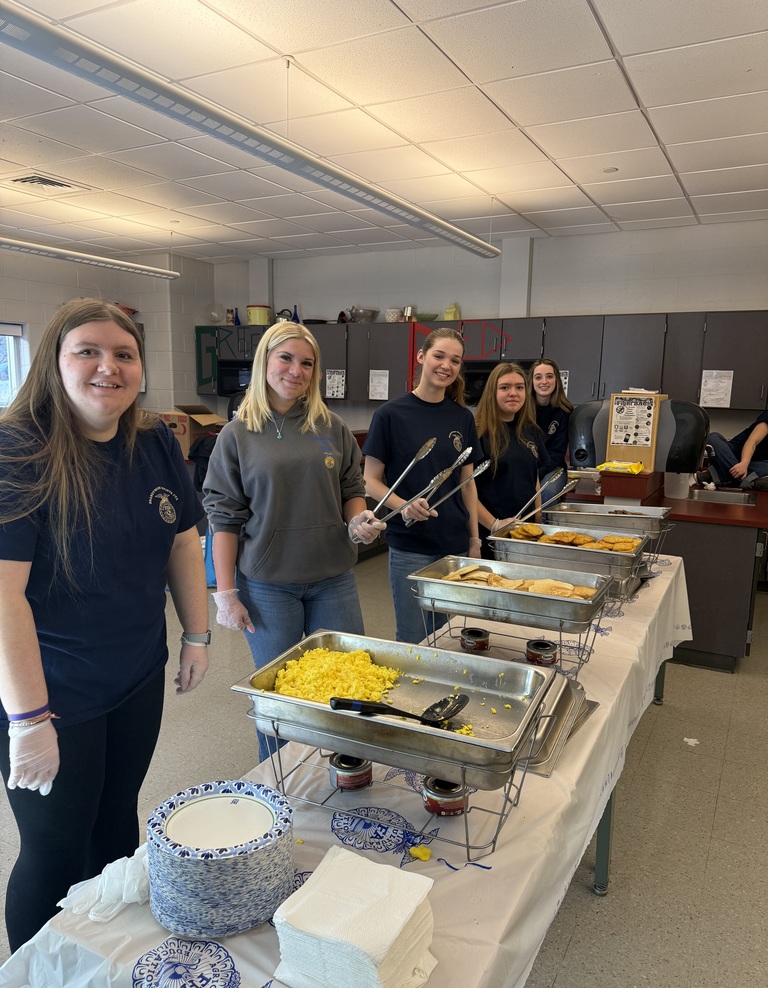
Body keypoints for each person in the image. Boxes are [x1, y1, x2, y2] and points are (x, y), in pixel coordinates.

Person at [0, 298, 209, 952]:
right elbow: (5, 599)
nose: (106, 367)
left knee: (117, 826)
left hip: (135, 674)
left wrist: (197, 634)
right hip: (53, 691)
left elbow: (182, 539)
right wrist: (29, 721)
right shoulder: (17, 450)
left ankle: (101, 957)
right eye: (87, 351)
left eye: (124, 354)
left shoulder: (152, 441)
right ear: (54, 362)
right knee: (56, 846)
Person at [202, 322, 384, 761]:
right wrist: (225, 594)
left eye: (307, 362)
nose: (296, 370)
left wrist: (359, 521)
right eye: (285, 358)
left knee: (348, 682)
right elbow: (223, 519)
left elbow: (349, 488)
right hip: (268, 584)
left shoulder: (330, 425)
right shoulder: (237, 434)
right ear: (265, 361)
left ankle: (345, 771)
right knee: (280, 695)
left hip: (332, 577)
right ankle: (279, 781)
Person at [363, 328, 481, 644]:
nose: (446, 365)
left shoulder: (462, 418)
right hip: (410, 546)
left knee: (447, 637)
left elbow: (467, 485)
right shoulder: (390, 414)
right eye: (439, 356)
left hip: (453, 544)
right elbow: (370, 481)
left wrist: (474, 539)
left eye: (455, 360)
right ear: (421, 357)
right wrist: (401, 504)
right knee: (414, 637)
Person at [474, 362, 545, 558]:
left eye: (519, 387)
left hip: (525, 533)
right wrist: (494, 524)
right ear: (492, 392)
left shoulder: (531, 431)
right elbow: (465, 489)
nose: (513, 393)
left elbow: (534, 481)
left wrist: (538, 524)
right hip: (488, 533)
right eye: (505, 387)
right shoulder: (477, 432)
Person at [530, 358, 573, 506]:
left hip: (553, 468)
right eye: (538, 377)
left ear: (556, 380)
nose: (544, 381)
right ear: (531, 381)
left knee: (547, 493)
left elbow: (557, 452)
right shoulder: (521, 410)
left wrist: (537, 474)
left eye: (549, 376)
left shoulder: (565, 411)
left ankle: (544, 529)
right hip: (526, 467)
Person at [700, 412, 768, 488]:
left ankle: (720, 476)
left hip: (755, 463)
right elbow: (752, 442)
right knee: (713, 438)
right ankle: (747, 481)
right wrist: (744, 463)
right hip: (732, 454)